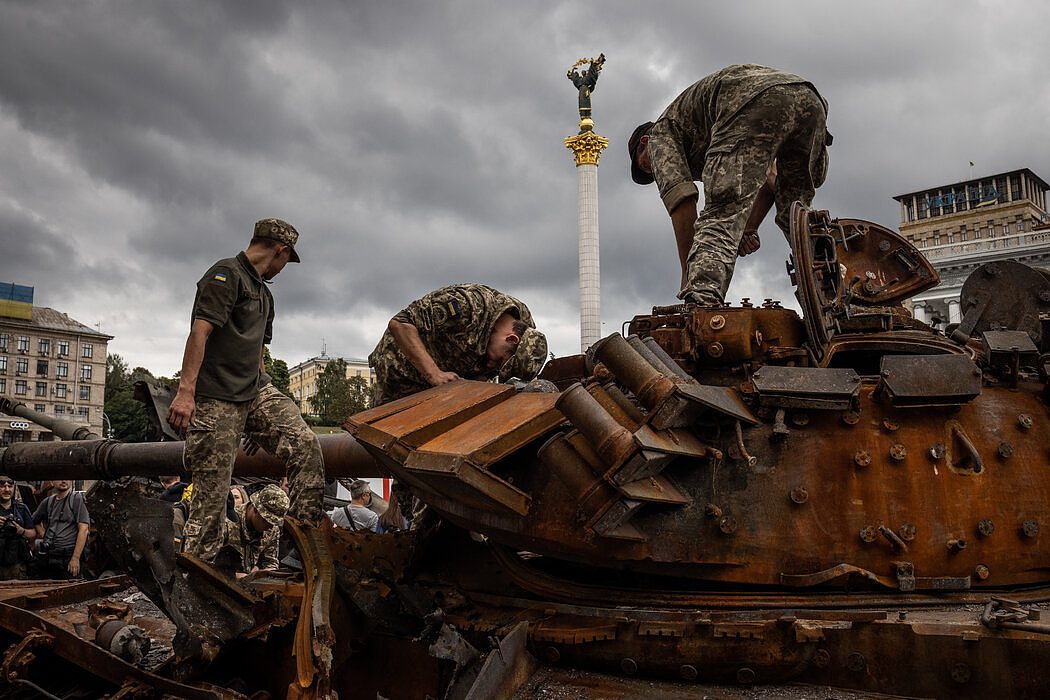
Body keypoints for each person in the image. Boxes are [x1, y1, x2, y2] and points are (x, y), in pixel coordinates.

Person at [166, 218, 325, 564]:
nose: (283, 269)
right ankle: (196, 580)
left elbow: (258, 355)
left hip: (254, 392)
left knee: (305, 444)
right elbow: (200, 333)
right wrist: (185, 393)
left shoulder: (265, 297)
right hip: (217, 399)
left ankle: (301, 550)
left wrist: (260, 416)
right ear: (280, 251)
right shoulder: (226, 276)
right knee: (210, 500)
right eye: (286, 261)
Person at [629, 64, 831, 306]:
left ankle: (701, 302)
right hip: (809, 100)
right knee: (797, 215)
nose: (654, 173)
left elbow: (682, 203)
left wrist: (688, 277)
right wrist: (748, 229)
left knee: (720, 213)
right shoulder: (707, 135)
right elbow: (771, 183)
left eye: (645, 166)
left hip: (751, 98)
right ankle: (833, 293)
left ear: (644, 143)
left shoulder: (660, 134)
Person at [368, 283, 549, 405]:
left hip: (449, 385)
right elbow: (400, 323)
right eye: (499, 361)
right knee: (383, 435)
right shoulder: (467, 305)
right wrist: (434, 374)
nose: (493, 367)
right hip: (401, 369)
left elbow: (486, 374)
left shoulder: (526, 331)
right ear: (511, 339)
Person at [216, 484, 289, 578]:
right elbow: (209, 563)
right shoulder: (227, 523)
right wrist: (233, 576)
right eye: (267, 521)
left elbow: (270, 562)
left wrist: (263, 573)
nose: (270, 527)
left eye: (274, 523)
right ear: (255, 510)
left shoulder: (272, 529)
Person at [31, 479, 90, 580]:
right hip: (51, 555)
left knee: (70, 588)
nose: (63, 481)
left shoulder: (76, 500)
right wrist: (42, 532)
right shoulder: (48, 502)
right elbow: (34, 520)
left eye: (67, 478)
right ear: (52, 482)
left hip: (68, 556)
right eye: (60, 478)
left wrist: (75, 558)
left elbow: (83, 530)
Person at [0, 476, 34, 580]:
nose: (7, 489)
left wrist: (20, 530)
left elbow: (33, 533)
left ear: (14, 488)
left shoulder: (21, 508)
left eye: (10, 486)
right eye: (2, 486)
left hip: (17, 565)